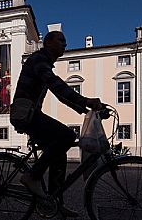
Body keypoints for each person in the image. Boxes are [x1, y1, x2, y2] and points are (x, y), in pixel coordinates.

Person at [12, 31, 103, 218]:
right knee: (68, 136)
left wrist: (87, 111)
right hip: (26, 115)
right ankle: (32, 176)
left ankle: (54, 202)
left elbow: (60, 95)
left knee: (59, 155)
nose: (65, 44)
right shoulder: (38, 59)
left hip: (31, 114)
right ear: (47, 43)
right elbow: (56, 85)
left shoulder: (44, 63)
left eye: (65, 41)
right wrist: (86, 100)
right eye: (60, 40)